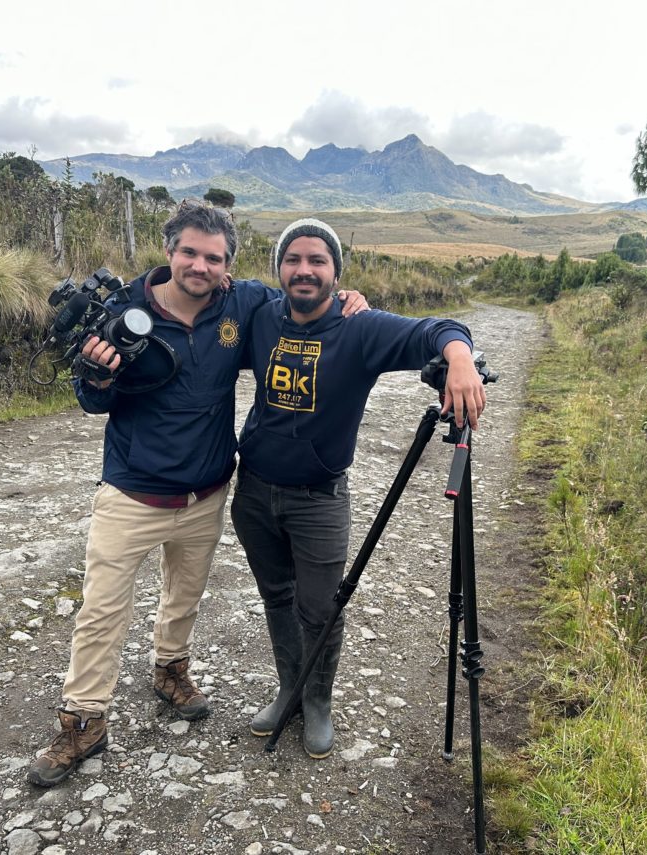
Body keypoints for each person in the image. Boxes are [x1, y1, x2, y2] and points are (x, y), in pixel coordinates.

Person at [28, 203, 367, 787]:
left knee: (184, 595)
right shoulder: (123, 312)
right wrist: (98, 374)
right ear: (169, 252)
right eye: (189, 252)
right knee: (103, 609)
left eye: (213, 257)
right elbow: (93, 401)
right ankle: (84, 719)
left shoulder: (244, 304)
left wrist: (348, 300)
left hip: (207, 491)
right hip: (132, 494)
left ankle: (170, 670)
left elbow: (303, 292)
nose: (200, 265)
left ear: (228, 267)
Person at [230, 218, 486, 759]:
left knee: (320, 607)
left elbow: (432, 330)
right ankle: (289, 691)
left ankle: (318, 701)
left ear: (335, 273)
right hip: (253, 491)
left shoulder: (359, 328)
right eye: (294, 259)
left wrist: (459, 358)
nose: (304, 270)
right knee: (276, 596)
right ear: (279, 268)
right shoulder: (259, 314)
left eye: (317, 261)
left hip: (319, 498)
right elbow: (201, 289)